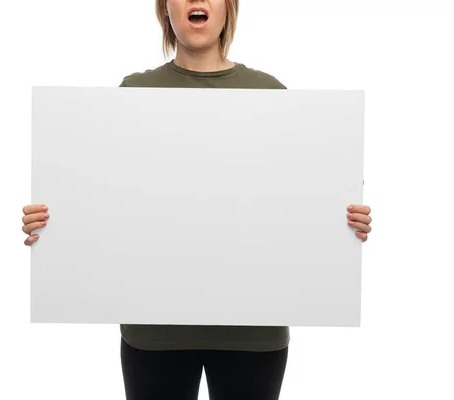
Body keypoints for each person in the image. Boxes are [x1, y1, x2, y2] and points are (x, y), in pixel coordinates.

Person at [21, 1, 373, 399]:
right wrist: (50, 224)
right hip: (154, 332)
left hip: (254, 332)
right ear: (164, 9)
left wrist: (345, 224)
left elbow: (295, 205)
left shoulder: (270, 93)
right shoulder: (133, 93)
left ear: (229, 7)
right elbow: (105, 205)